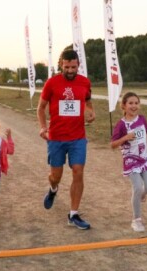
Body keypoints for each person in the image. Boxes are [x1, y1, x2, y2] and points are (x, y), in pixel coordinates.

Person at [37, 48, 95, 230]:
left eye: (73, 67)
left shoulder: (85, 82)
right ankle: (53, 189)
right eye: (67, 67)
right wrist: (43, 128)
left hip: (78, 137)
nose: (70, 70)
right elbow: (41, 108)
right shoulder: (52, 83)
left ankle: (73, 214)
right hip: (56, 138)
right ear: (61, 64)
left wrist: (90, 112)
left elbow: (88, 101)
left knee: (78, 171)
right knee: (56, 176)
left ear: (78, 65)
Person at [110, 92, 147, 232]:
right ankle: (136, 220)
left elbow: (146, 138)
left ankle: (142, 193)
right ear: (124, 106)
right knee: (137, 187)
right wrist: (125, 137)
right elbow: (113, 144)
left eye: (136, 103)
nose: (134, 106)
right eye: (130, 103)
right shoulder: (121, 125)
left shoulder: (142, 119)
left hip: (145, 159)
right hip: (131, 161)